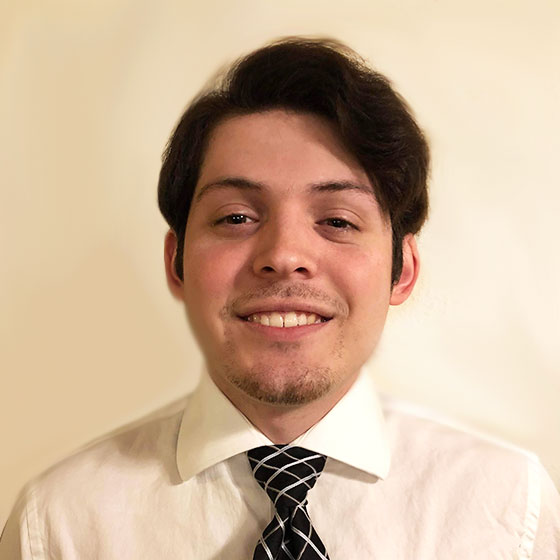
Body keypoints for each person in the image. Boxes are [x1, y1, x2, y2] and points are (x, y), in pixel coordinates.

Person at [1, 37, 559, 559]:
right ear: (176, 263)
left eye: (338, 220)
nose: (284, 255)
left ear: (402, 271)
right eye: (236, 217)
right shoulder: (58, 525)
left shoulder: (512, 511)